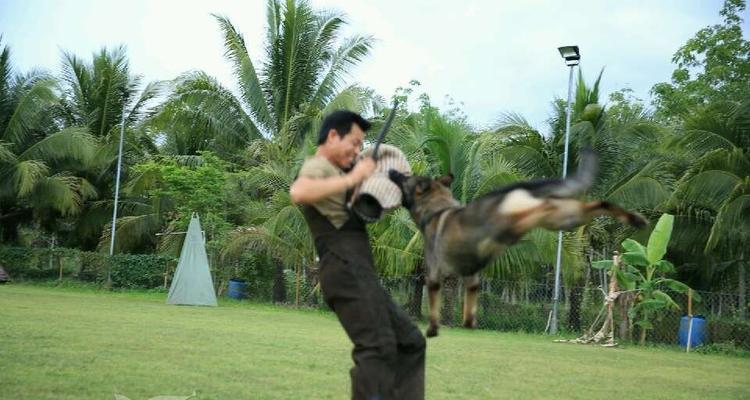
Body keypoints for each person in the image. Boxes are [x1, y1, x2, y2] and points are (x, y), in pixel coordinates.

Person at [290, 110, 426, 400]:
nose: (357, 150)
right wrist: (354, 178)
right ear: (332, 136)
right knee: (376, 347)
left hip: (360, 272)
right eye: (354, 142)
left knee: (410, 341)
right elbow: (300, 192)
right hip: (344, 269)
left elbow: (371, 200)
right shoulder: (319, 166)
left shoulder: (341, 172)